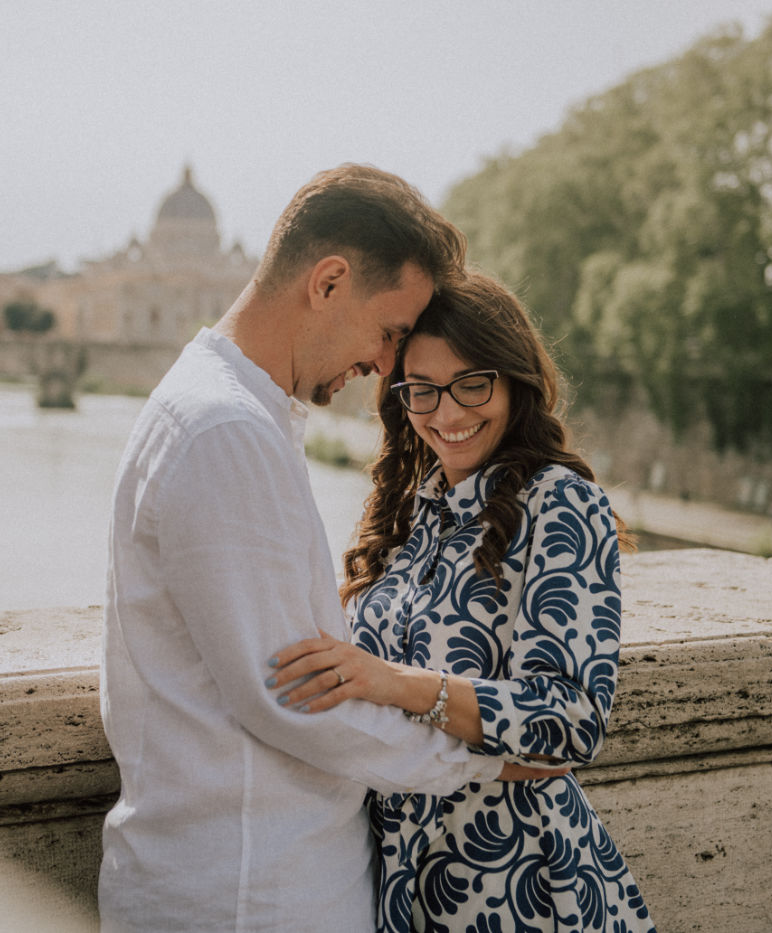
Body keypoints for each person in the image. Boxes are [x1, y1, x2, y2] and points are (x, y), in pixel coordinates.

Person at [99, 165, 554, 933]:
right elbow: (294, 700)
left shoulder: (218, 408)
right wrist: (488, 760)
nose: (388, 366)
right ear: (329, 282)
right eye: (390, 333)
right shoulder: (228, 432)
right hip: (253, 893)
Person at [267, 272, 657, 932]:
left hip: (520, 888)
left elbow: (574, 719)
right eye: (422, 390)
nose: (447, 414)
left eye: (472, 383)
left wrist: (401, 685)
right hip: (397, 883)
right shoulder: (406, 508)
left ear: (513, 379)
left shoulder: (560, 504)